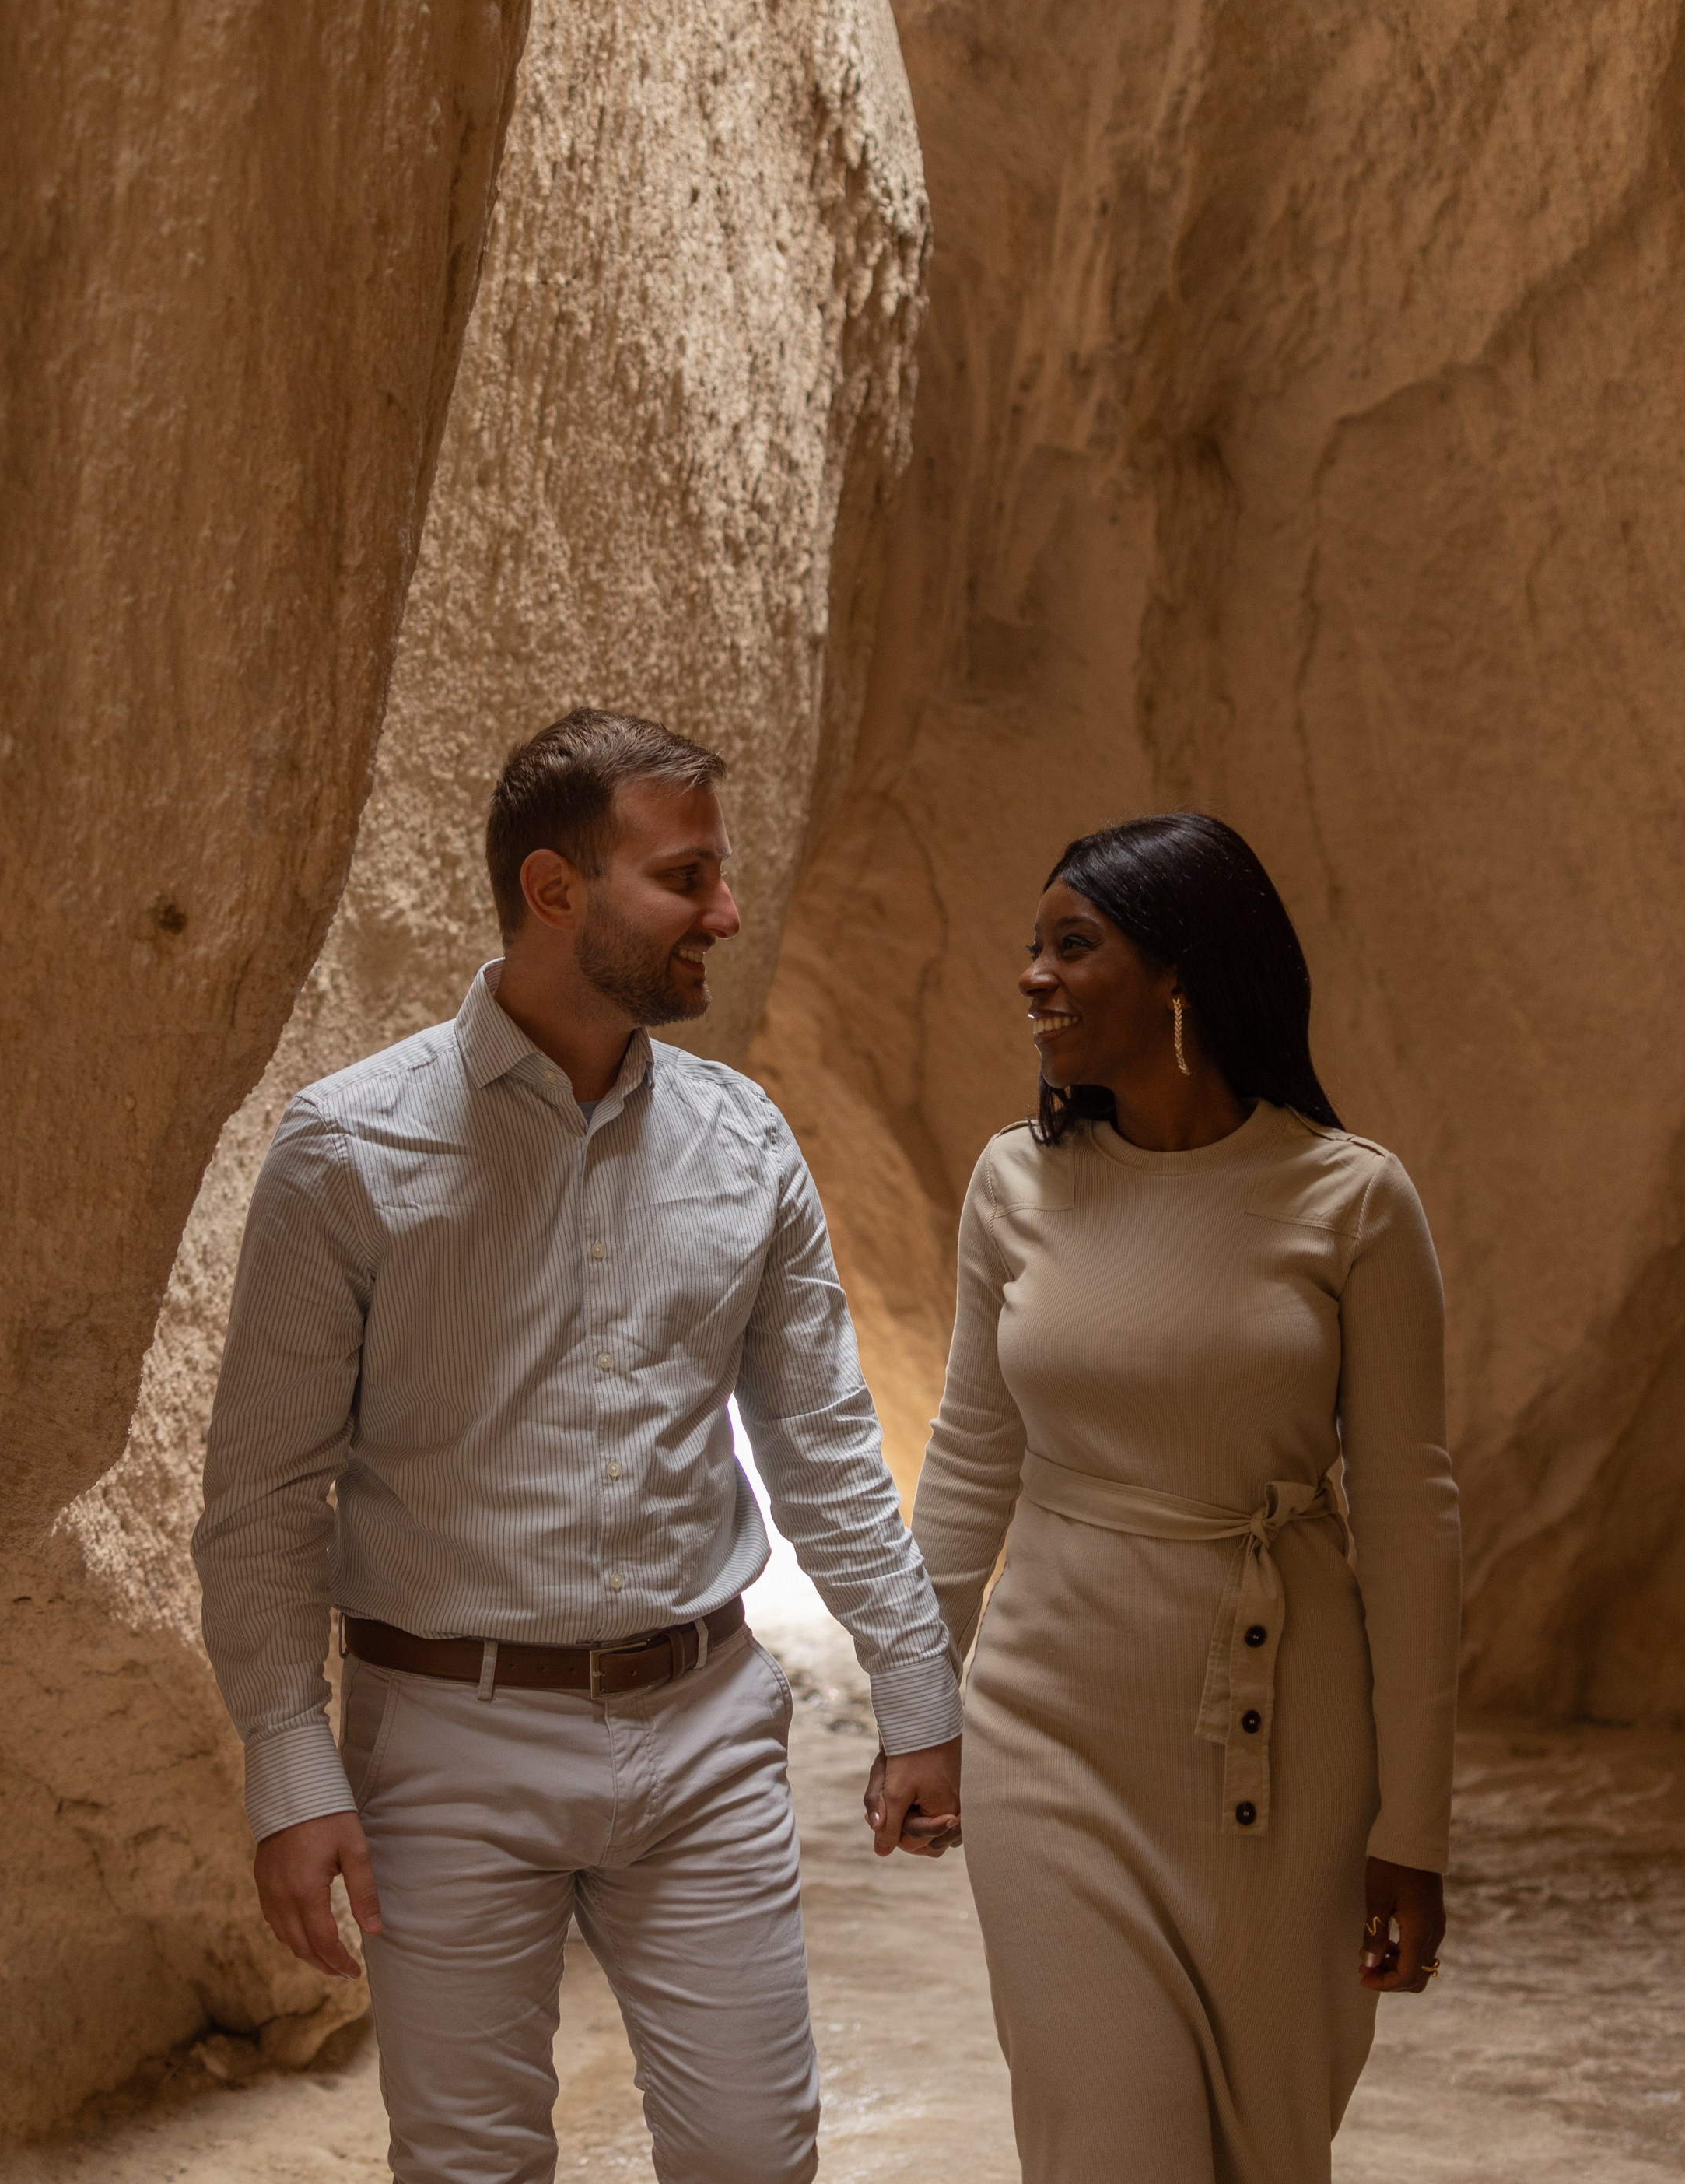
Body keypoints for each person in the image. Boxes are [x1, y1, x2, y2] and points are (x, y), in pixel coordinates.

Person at [193, 707, 962, 2184]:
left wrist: (915, 1685)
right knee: (470, 2163)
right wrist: (290, 1765)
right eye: (687, 879)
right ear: (557, 893)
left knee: (755, 2154)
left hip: (706, 1731)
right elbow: (264, 1498)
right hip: (446, 1744)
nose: (725, 914)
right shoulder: (348, 1150)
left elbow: (822, 1447)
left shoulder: (747, 1145)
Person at [909, 812, 1461, 2184]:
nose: (1032, 977)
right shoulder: (1012, 1185)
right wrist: (917, 1711)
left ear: (1182, 973)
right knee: (1111, 2149)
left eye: (1071, 945)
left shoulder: (1351, 1201)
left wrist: (1415, 1829)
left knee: (1266, 2156)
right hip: (1049, 1733)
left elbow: (1406, 1524)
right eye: (1028, 949)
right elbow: (970, 1461)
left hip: (1287, 1761)